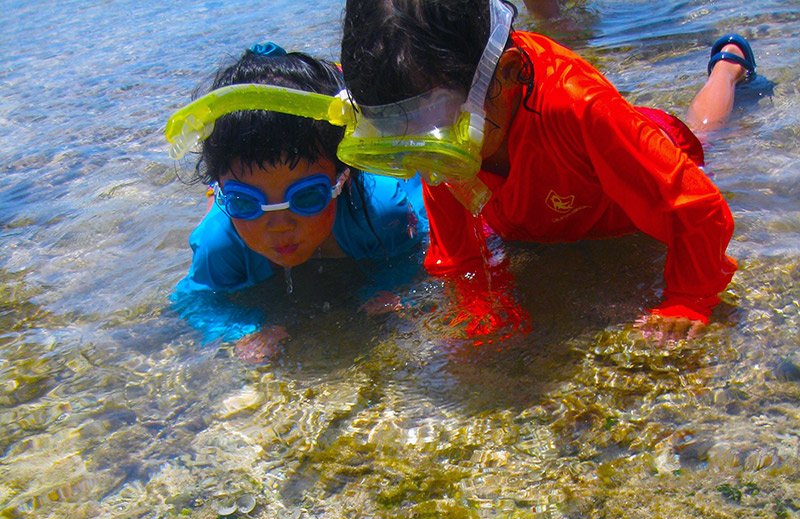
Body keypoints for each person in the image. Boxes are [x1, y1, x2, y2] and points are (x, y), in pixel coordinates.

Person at [339, 0, 773, 342]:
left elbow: (696, 206)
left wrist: (688, 298)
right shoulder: (441, 123)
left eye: (435, 123)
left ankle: (727, 68)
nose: (420, 149)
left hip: (618, 192)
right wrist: (477, 304)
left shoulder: (577, 105)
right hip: (543, 212)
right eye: (393, 130)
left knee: (707, 134)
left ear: (506, 74)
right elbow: (459, 252)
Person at [171, 45, 428, 359]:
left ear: (341, 177)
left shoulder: (379, 214)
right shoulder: (220, 244)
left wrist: (388, 286)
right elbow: (195, 302)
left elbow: (412, 256)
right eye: (244, 202)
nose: (279, 225)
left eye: (306, 197)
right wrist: (245, 329)